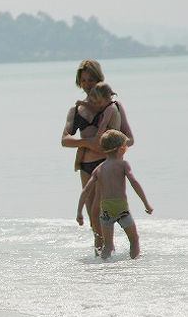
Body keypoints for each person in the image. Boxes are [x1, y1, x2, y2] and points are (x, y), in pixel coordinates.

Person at [62, 60, 134, 254]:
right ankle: (101, 262)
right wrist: (87, 142)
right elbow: (65, 139)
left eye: (91, 79)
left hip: (106, 165)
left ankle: (110, 255)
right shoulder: (76, 110)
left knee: (100, 213)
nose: (87, 84)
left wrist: (112, 146)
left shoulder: (112, 106)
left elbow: (130, 139)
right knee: (93, 220)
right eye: (83, 80)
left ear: (99, 79)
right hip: (86, 166)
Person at [76, 130, 153, 259]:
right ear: (120, 149)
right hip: (120, 207)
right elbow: (134, 182)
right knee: (134, 240)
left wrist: (79, 212)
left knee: (108, 245)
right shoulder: (123, 164)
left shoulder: (99, 168)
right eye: (125, 148)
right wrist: (146, 204)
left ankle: (103, 268)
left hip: (105, 209)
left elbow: (86, 191)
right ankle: (135, 265)